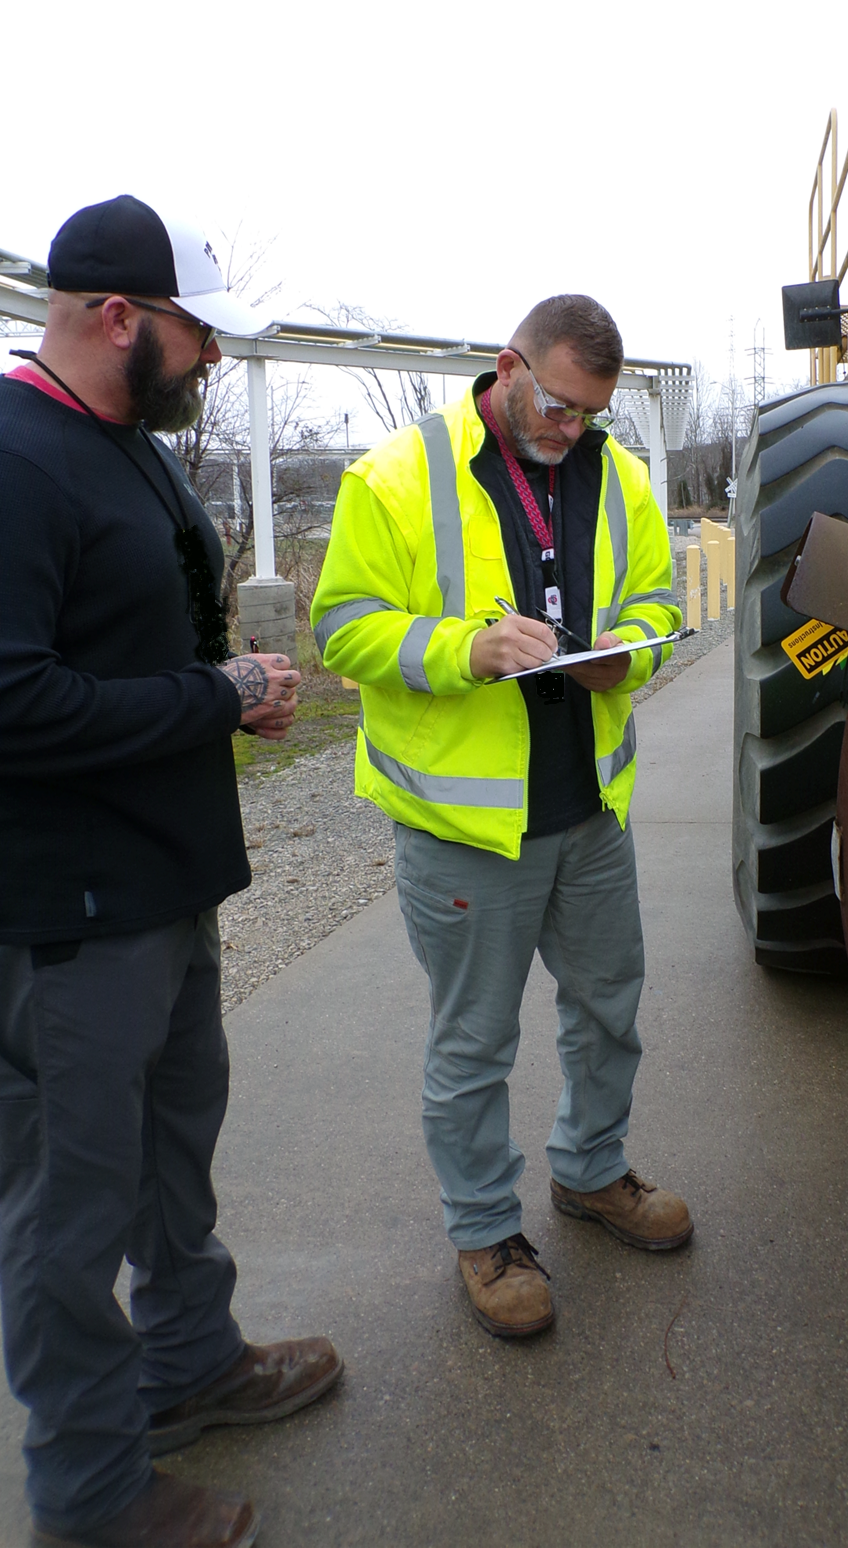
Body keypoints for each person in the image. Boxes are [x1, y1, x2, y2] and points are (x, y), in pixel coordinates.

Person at [0, 196, 343, 1548]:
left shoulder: (125, 445)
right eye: (197, 336)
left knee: (171, 1153)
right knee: (67, 1215)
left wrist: (228, 697)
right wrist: (216, 692)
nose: (207, 363)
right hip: (64, 921)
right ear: (118, 315)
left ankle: (189, 1365)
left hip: (161, 888)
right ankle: (89, 1496)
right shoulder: (17, 460)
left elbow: (153, 653)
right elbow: (13, 703)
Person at [311, 294, 691, 1338]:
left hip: (587, 812)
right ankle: (485, 1233)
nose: (573, 431)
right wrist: (460, 650)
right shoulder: (394, 477)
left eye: (590, 413)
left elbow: (659, 606)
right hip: (466, 830)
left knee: (610, 1003)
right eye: (559, 406)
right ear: (507, 365)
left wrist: (633, 652)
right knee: (475, 1042)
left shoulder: (618, 475)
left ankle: (590, 1171)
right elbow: (341, 628)